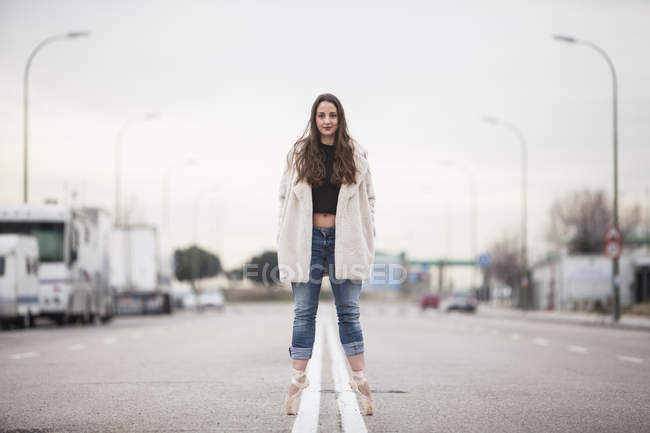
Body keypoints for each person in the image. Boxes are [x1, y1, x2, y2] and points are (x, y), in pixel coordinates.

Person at [276, 93, 376, 416]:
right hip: (307, 240)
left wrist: (366, 230)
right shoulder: (299, 153)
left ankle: (360, 380)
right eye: (322, 115)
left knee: (349, 312)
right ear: (314, 118)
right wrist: (284, 233)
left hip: (344, 240)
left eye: (332, 114)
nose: (327, 120)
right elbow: (283, 196)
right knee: (304, 312)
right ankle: (297, 380)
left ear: (340, 118)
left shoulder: (356, 154)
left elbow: (369, 198)